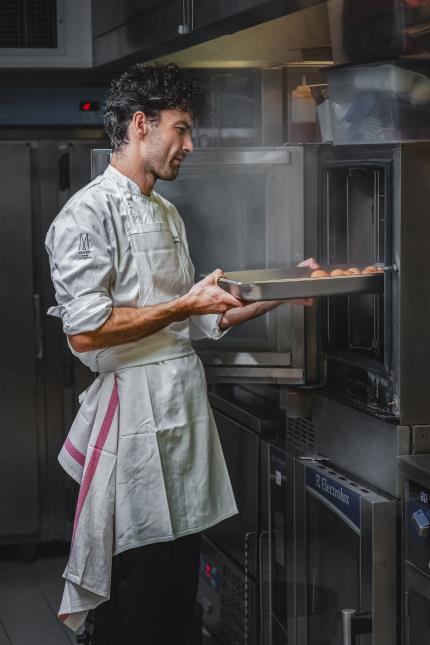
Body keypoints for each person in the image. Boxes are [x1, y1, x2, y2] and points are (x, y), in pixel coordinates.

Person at [45, 63, 317, 645]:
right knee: (132, 616)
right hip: (132, 435)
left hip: (182, 426)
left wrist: (286, 291)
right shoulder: (85, 215)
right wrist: (182, 307)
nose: (189, 146)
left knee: (175, 612)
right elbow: (86, 333)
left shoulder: (165, 213)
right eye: (182, 129)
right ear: (141, 125)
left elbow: (194, 319)